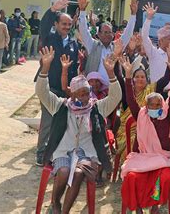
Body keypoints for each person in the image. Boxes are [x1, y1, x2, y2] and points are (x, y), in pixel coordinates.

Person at [35, 46, 120, 214]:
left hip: (88, 154)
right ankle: (56, 202)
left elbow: (115, 97)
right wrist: (45, 68)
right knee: (65, 171)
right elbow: (42, 92)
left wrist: (111, 74)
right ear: (72, 94)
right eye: (80, 94)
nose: (85, 97)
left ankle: (64, 211)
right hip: (63, 151)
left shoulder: (96, 108)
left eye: (87, 93)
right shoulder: (61, 106)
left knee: (79, 173)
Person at [120, 54, 170, 213]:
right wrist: (127, 77)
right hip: (141, 158)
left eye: (158, 104)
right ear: (146, 107)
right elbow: (131, 99)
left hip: (161, 159)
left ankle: (155, 206)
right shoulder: (141, 114)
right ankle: (138, 207)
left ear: (162, 105)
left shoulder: (166, 117)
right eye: (151, 105)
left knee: (166, 177)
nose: (155, 107)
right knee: (132, 177)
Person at [36, 0, 80, 166]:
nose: (67, 27)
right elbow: (43, 26)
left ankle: (55, 152)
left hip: (64, 89)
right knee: (47, 121)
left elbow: (74, 67)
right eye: (64, 24)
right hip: (49, 86)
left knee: (60, 121)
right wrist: (53, 10)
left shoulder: (73, 44)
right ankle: (41, 153)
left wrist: (72, 88)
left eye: (69, 25)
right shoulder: (49, 37)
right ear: (56, 25)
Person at [77, 0, 137, 83]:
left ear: (113, 34)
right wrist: (82, 11)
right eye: (105, 32)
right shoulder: (92, 45)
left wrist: (133, 15)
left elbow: (127, 34)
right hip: (94, 90)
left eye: (109, 32)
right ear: (99, 34)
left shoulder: (117, 46)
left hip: (112, 90)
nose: (107, 35)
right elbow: (84, 31)